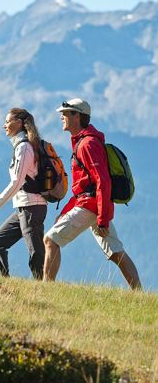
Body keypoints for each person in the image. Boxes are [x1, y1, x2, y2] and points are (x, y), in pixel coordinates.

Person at [43, 98, 142, 289]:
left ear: (77, 116)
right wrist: (65, 212)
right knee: (116, 252)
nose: (61, 117)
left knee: (50, 240)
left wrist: (103, 218)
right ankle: (139, 293)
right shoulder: (84, 142)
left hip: (90, 206)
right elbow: (83, 186)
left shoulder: (88, 144)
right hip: (93, 205)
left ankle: (45, 290)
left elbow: (102, 182)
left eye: (65, 113)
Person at [0, 108, 47, 279]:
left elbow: (17, 182)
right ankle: (4, 283)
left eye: (7, 121)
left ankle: (45, 288)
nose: (4, 125)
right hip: (24, 207)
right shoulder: (24, 145)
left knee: (36, 253)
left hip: (32, 206)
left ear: (19, 123)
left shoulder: (24, 147)